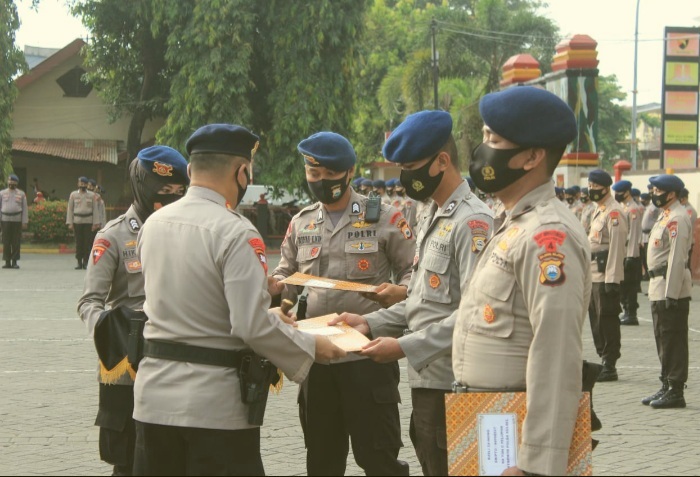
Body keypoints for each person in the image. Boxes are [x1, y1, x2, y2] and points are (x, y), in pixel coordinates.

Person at [132, 124, 346, 476]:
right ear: (242, 172)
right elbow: (249, 325)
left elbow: (194, 307)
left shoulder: (153, 224)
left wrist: (271, 319)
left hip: (153, 400)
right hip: (214, 408)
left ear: (190, 170)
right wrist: (311, 347)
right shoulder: (235, 231)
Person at [331, 110, 493, 476]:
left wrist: (403, 347)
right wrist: (368, 323)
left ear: (442, 161)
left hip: (454, 385)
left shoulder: (472, 222)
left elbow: (474, 315)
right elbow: (420, 301)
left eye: (412, 167)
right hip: (428, 382)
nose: (406, 178)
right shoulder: (431, 214)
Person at [449, 86, 591, 476]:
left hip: (515, 442)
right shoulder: (513, 223)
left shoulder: (547, 236)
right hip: (489, 422)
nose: (482, 150)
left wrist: (536, 465)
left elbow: (556, 354)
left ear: (531, 157)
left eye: (494, 140)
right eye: (484, 136)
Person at [268, 131, 414, 476]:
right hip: (317, 357)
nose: (321, 181)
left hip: (369, 355)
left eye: (330, 174)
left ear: (349, 172)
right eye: (314, 174)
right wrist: (278, 290)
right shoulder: (301, 222)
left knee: (378, 458)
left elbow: (414, 272)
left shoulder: (385, 217)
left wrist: (398, 292)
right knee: (322, 459)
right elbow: (287, 275)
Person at [77, 146, 189, 476]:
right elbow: (89, 302)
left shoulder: (185, 233)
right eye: (163, 189)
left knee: (172, 458)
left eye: (178, 191)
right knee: (126, 461)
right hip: (128, 368)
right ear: (142, 186)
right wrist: (117, 334)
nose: (171, 197)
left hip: (174, 365)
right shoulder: (113, 236)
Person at [642, 174, 693, 409]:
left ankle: (676, 390)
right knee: (663, 337)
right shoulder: (666, 215)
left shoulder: (678, 218)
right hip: (658, 286)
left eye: (658, 191)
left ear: (671, 194)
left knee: (673, 339)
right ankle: (666, 383)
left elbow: (677, 258)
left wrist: (671, 293)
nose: (654, 194)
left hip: (669, 287)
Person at [587, 169, 628, 382]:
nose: (591, 190)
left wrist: (612, 278)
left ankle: (610, 363)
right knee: (595, 319)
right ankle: (602, 358)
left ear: (606, 188)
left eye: (595, 186)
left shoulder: (614, 212)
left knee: (607, 319)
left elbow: (617, 248)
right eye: (590, 186)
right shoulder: (599, 210)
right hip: (593, 274)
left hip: (605, 275)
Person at [612, 180, 643, 326]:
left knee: (630, 286)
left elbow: (634, 234)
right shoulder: (623, 207)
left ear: (627, 192)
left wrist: (631, 255)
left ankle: (631, 314)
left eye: (619, 192)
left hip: (631, 254)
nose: (617, 195)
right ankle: (626, 311)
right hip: (623, 252)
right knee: (623, 285)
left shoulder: (633, 210)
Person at [67, 176, 100, 270]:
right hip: (77, 221)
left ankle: (86, 262)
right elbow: (70, 209)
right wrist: (70, 222)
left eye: (84, 183)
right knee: (79, 242)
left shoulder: (91, 195)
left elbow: (95, 210)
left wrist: (95, 223)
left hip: (88, 221)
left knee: (87, 243)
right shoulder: (73, 195)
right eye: (80, 183)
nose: (82, 185)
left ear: (86, 184)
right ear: (78, 184)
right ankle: (79, 262)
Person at [1, 174, 28, 269]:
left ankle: (15, 261)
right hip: (5, 219)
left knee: (16, 241)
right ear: (8, 182)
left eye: (13, 181)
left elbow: (25, 208)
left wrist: (24, 221)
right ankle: (7, 262)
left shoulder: (21, 194)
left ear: (17, 183)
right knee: (6, 241)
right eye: (10, 181)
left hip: (17, 220)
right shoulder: (2, 193)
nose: (11, 183)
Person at [641, 184, 661, 280]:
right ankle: (648, 275)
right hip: (645, 235)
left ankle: (651, 275)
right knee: (646, 257)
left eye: (652, 192)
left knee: (651, 257)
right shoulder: (650, 206)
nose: (651, 194)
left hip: (651, 234)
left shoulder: (657, 207)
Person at [678, 188, 697, 272]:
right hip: (682, 240)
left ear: (684, 198)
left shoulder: (689, 210)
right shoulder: (683, 209)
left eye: (680, 199)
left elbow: (685, 225)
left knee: (685, 264)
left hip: (687, 241)